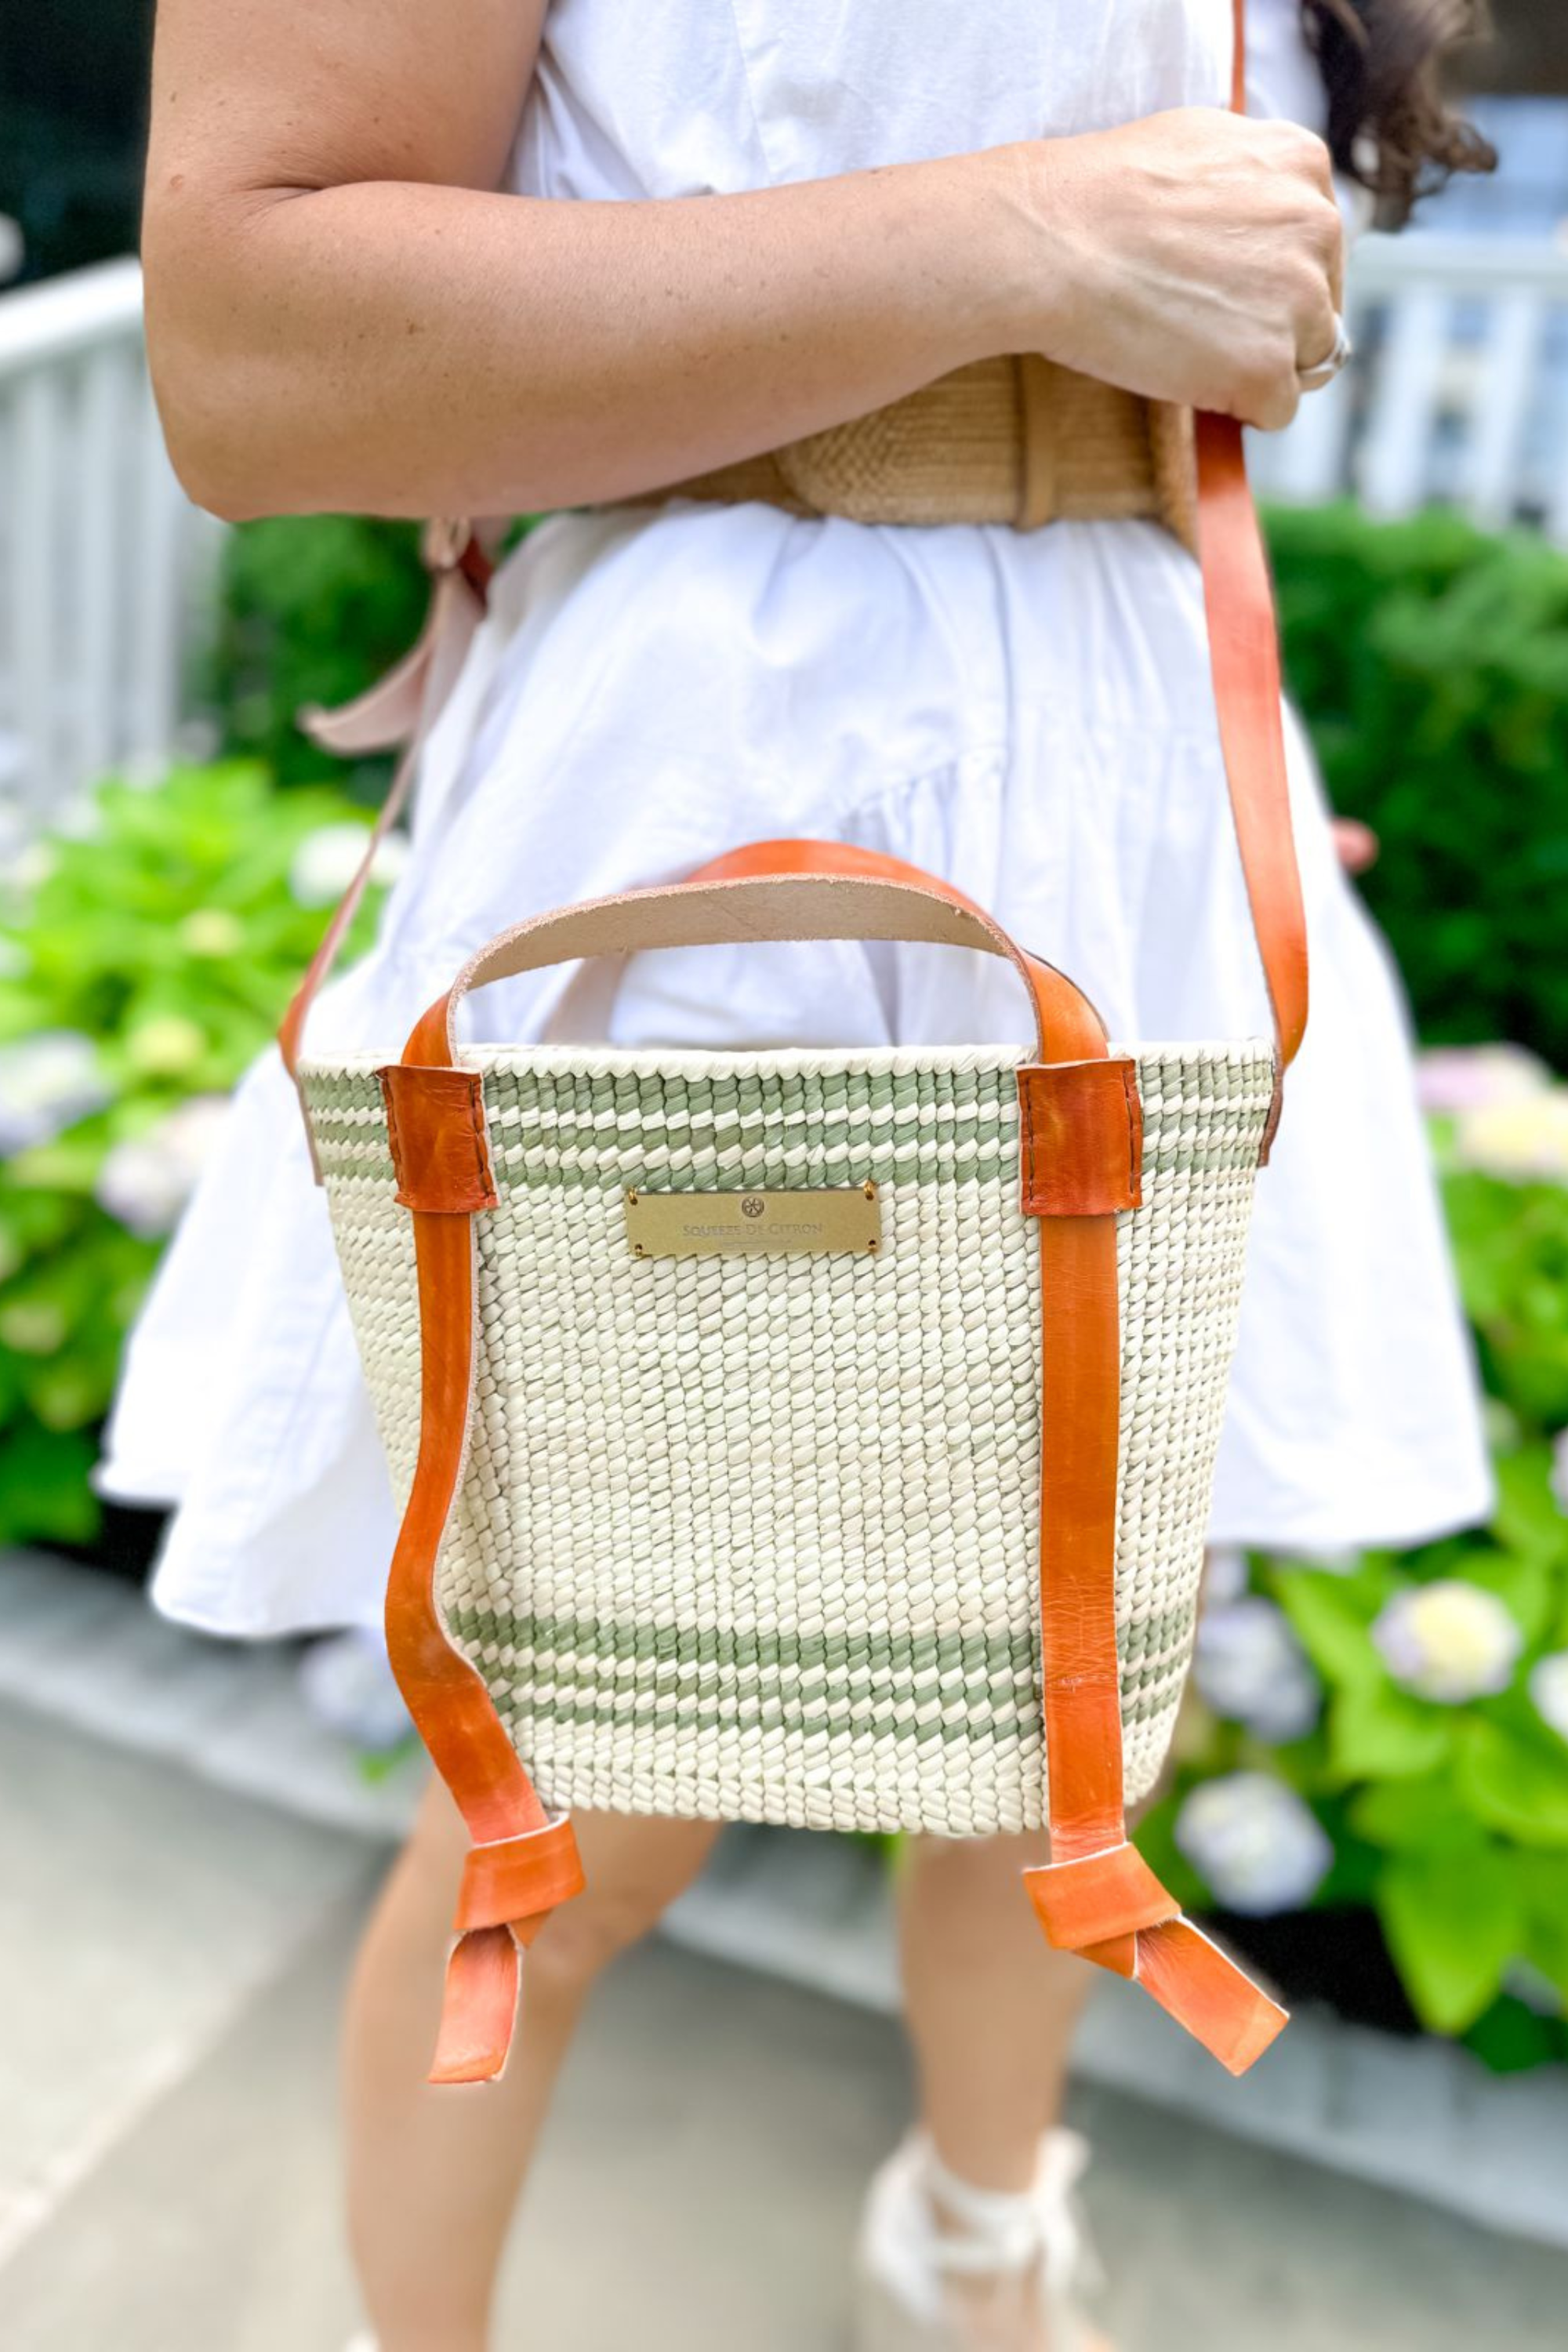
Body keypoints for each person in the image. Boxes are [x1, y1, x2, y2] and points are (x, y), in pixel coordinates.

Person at [115, 2, 1494, 2345]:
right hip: (732, 833)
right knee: (585, 1787)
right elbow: (255, 344)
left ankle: (977, 2253)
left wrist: (1133, 705)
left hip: (1137, 798)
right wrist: (1039, 234)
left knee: (1076, 1734)